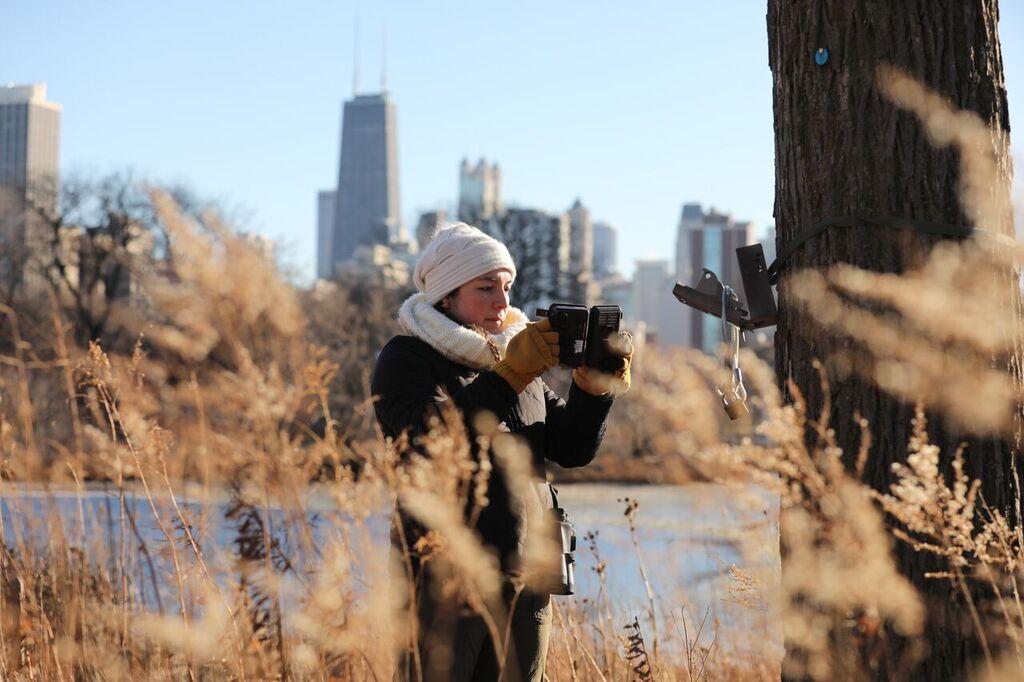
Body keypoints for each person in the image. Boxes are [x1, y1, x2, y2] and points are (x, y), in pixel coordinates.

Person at [371, 223, 632, 682]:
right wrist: (511, 375)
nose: (501, 302)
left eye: (507, 287)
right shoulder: (406, 358)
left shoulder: (512, 362)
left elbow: (572, 449)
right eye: (485, 288)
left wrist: (594, 391)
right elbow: (434, 438)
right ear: (446, 295)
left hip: (530, 572)